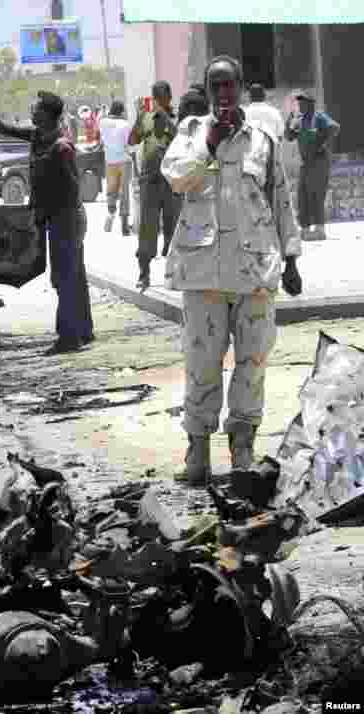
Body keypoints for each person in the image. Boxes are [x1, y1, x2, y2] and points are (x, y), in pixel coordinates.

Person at [161, 55, 302, 485]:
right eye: (215, 85)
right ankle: (197, 451)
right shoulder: (189, 133)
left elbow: (279, 198)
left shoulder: (262, 139)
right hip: (202, 273)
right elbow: (176, 178)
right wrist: (210, 142)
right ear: (207, 90)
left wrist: (292, 258)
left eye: (229, 85)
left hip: (254, 271)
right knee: (201, 362)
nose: (223, 93)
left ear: (240, 88)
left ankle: (242, 447)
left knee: (252, 362)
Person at [0, 91, 94, 355]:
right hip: (56, 219)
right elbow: (6, 129)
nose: (32, 110)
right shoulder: (38, 137)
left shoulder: (61, 147)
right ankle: (83, 331)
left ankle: (69, 338)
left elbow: (72, 191)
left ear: (46, 115)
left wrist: (47, 215)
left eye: (37, 108)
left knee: (65, 278)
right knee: (73, 276)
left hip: (65, 219)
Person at [129, 80, 181, 290]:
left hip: (171, 182)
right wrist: (138, 117)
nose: (159, 102)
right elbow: (132, 140)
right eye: (156, 98)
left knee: (174, 226)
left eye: (162, 98)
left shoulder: (178, 119)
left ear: (168, 99)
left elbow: (181, 140)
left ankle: (176, 272)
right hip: (149, 181)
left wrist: (167, 120)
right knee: (148, 228)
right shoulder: (146, 118)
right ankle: (144, 273)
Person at [285, 92, 340, 241]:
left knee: (316, 194)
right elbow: (289, 137)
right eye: (299, 103)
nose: (300, 105)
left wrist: (321, 143)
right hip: (306, 163)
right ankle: (305, 229)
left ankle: (320, 229)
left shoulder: (318, 117)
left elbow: (334, 127)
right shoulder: (300, 120)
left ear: (311, 104)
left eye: (303, 103)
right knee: (302, 195)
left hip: (319, 162)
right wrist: (289, 121)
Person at [99, 100, 132, 235]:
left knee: (112, 190)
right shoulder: (125, 124)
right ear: (122, 111)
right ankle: (124, 225)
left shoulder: (103, 123)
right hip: (124, 160)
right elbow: (127, 143)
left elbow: (102, 137)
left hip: (110, 160)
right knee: (124, 192)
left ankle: (110, 214)